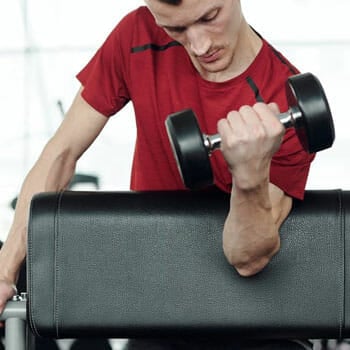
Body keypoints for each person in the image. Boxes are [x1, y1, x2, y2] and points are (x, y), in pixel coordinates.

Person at [0, 0, 315, 348]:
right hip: (159, 305)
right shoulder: (137, 35)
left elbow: (247, 258)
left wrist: (249, 175)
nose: (199, 46)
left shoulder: (282, 98)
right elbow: (61, 154)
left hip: (255, 321)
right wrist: (4, 271)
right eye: (175, 29)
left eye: (209, 17)